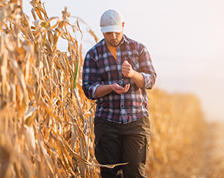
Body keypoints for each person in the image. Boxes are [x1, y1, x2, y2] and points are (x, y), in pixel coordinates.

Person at [82, 9, 157, 178]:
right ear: (102, 30)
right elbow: (88, 89)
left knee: (135, 173)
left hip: (136, 119)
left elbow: (151, 80)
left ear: (123, 26)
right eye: (108, 33)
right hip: (107, 121)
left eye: (116, 32)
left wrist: (133, 74)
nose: (113, 36)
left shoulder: (139, 49)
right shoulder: (93, 55)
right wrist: (110, 87)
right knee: (109, 174)